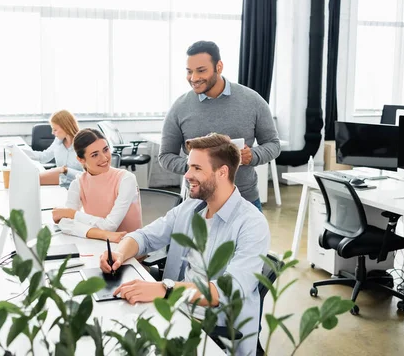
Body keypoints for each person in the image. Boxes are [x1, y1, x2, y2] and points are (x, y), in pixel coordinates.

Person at [99, 133, 270, 356]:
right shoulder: (190, 207)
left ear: (222, 172)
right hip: (175, 312)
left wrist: (165, 289)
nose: (187, 174)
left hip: (213, 331)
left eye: (197, 168)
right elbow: (146, 236)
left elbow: (228, 291)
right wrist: (119, 254)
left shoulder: (251, 223)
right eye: (189, 167)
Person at [159, 40, 281, 211]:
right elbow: (165, 156)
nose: (193, 78)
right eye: (189, 71)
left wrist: (251, 156)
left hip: (245, 201)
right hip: (198, 204)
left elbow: (273, 144)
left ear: (219, 67)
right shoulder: (179, 107)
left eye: (201, 70)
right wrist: (196, 167)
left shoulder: (253, 101)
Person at [53, 128, 142, 243]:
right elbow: (65, 224)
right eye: (95, 155)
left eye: (105, 150)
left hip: (129, 250)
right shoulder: (78, 183)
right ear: (81, 159)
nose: (104, 158)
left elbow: (110, 226)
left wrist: (71, 213)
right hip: (99, 243)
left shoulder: (126, 179)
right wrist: (104, 235)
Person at [24, 110, 84, 188]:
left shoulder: (84, 144)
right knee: (30, 182)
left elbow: (89, 176)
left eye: (55, 129)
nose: (52, 133)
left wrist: (65, 171)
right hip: (60, 186)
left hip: (79, 189)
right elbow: (43, 157)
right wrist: (18, 151)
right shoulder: (58, 141)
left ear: (66, 127)